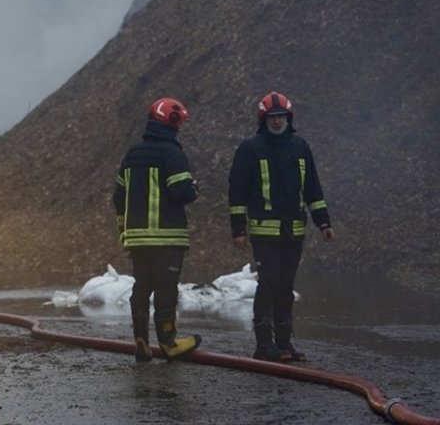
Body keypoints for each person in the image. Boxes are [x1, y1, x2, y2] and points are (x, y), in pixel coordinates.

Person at [228, 91, 335, 362]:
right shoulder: (250, 149)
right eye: (272, 117)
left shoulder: (300, 147)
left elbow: (312, 187)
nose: (277, 122)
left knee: (285, 286)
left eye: (281, 117)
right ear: (263, 120)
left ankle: (285, 343)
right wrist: (238, 229)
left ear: (289, 118)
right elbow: (237, 191)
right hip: (264, 232)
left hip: (293, 232)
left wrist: (324, 222)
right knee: (268, 283)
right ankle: (264, 345)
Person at [112, 97, 202, 362]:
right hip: (167, 237)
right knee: (166, 289)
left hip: (138, 239)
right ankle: (168, 342)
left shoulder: (132, 154)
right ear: (172, 123)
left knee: (142, 287)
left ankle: (141, 341)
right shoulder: (172, 153)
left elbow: (119, 197)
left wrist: (124, 231)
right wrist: (194, 188)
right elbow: (181, 192)